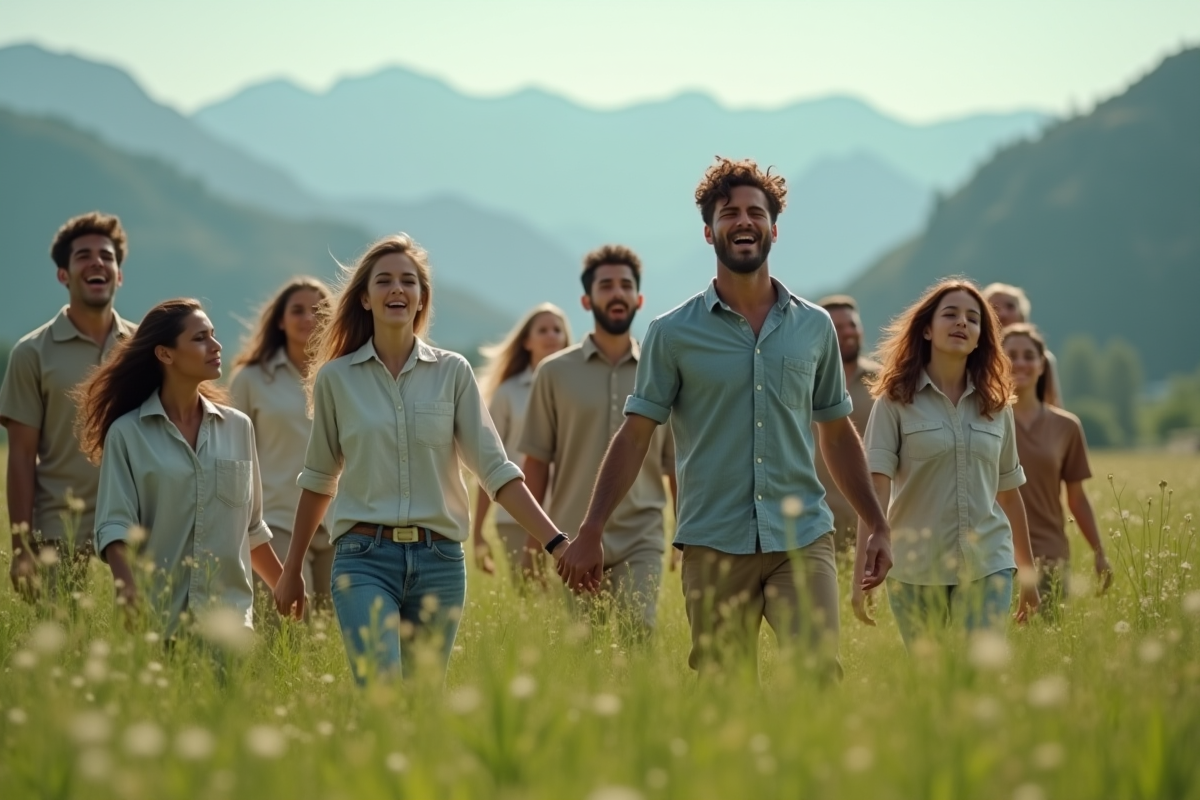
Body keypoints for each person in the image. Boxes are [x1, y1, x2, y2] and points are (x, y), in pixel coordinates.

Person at [559, 158, 891, 675]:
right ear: (709, 230)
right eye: (729, 212)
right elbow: (635, 434)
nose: (743, 221)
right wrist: (591, 528)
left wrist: (876, 522)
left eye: (755, 212)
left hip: (802, 539)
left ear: (773, 230)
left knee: (818, 675)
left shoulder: (815, 327)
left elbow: (837, 431)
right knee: (724, 688)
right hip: (712, 542)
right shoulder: (673, 333)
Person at [271, 234, 572, 684]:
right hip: (363, 557)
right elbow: (319, 478)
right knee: (382, 689)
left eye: (408, 281)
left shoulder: (453, 373)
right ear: (366, 299)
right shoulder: (336, 379)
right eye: (385, 281)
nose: (397, 289)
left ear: (421, 298)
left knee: (423, 702)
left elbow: (496, 470)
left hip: (440, 562)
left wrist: (557, 543)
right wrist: (291, 569)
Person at [74, 299, 283, 636]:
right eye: (200, 338)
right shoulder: (127, 434)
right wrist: (128, 592)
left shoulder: (238, 427)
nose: (215, 346)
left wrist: (284, 583)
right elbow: (115, 525)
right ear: (165, 354)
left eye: (213, 335)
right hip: (157, 620)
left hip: (230, 624)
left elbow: (251, 526)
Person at [855, 279, 1040, 646]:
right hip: (914, 568)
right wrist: (862, 571)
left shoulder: (997, 406)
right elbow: (876, 487)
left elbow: (1009, 492)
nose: (962, 323)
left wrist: (1029, 577)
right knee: (930, 683)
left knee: (979, 676)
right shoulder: (894, 401)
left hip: (989, 564)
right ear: (926, 329)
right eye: (951, 314)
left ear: (980, 338)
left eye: (973, 319)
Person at [520, 245, 677, 637]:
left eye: (626, 285)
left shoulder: (662, 373)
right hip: (570, 537)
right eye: (606, 285)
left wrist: (684, 534)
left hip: (643, 534)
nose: (617, 293)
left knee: (639, 633)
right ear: (587, 299)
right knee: (583, 648)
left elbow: (674, 463)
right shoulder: (553, 373)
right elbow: (537, 461)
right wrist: (531, 543)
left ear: (639, 298)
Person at [1, 212, 137, 600]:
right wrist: (21, 548)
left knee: (145, 645)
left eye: (107, 256)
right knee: (63, 649)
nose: (97, 262)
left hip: (135, 526)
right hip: (57, 529)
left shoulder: (145, 349)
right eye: (83, 255)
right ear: (63, 274)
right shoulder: (31, 353)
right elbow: (22, 456)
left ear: (119, 275)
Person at [231, 277, 335, 609]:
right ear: (280, 320)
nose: (309, 318)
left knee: (333, 637)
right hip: (276, 522)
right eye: (298, 310)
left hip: (339, 523)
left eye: (319, 311)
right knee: (284, 632)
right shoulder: (250, 379)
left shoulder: (346, 375)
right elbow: (232, 453)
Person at [1002, 323, 1112, 614]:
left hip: (1050, 556)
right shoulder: (981, 420)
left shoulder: (1067, 426)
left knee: (1047, 650)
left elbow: (1076, 497)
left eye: (1028, 355)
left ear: (1042, 365)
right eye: (1010, 354)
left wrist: (1099, 553)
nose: (1020, 362)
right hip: (994, 555)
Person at [471, 303, 572, 580]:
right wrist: (478, 531)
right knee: (532, 603)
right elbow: (488, 463)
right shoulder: (507, 393)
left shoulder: (578, 393)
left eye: (557, 330)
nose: (551, 335)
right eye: (543, 330)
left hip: (570, 512)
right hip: (517, 519)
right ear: (526, 341)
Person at [813, 295, 880, 553]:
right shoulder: (806, 383)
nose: (848, 332)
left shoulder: (885, 381)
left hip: (876, 511)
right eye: (838, 328)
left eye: (852, 325)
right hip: (818, 515)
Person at [983, 283, 1062, 406]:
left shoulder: (1044, 359)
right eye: (994, 307)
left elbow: (1053, 405)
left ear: (1022, 315)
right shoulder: (973, 356)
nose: (1003, 314)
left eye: (1010, 307)